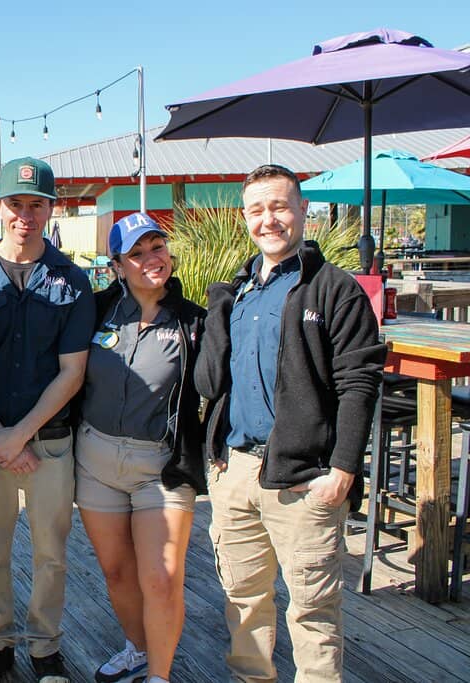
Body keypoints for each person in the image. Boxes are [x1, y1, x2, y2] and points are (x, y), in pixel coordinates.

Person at [195, 164, 386, 682]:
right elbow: (211, 382)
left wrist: (343, 469)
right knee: (243, 602)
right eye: (257, 210)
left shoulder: (333, 289)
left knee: (313, 613)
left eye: (280, 206)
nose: (269, 219)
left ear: (304, 211)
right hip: (235, 474)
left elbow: (359, 383)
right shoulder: (238, 294)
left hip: (306, 481)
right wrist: (217, 309)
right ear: (244, 219)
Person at [0, 157, 94, 683]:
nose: (25, 215)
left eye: (36, 204)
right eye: (16, 204)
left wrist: (22, 434)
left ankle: (45, 646)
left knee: (51, 554)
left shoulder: (72, 281)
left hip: (50, 444)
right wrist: (0, 437)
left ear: (50, 208)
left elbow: (72, 373)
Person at [77, 213, 205, 683]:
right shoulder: (93, 311)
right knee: (117, 573)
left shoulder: (195, 322)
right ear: (117, 264)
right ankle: (138, 649)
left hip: (161, 467)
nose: (151, 259)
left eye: (157, 247)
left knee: (162, 578)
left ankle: (160, 676)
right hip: (95, 460)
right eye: (137, 252)